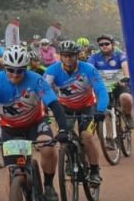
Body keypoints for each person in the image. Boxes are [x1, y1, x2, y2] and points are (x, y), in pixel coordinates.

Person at [0, 46, 72, 201]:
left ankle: (48, 185)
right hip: (10, 129)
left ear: (26, 68)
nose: (15, 75)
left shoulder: (37, 80)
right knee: (13, 173)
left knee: (48, 147)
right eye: (11, 70)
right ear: (5, 68)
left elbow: (54, 104)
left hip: (36, 124)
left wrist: (64, 129)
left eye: (20, 70)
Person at [43, 40, 108, 186]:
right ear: (60, 56)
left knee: (87, 136)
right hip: (64, 108)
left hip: (88, 106)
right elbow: (44, 91)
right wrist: (44, 109)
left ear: (77, 56)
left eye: (71, 56)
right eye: (65, 56)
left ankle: (94, 171)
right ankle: (70, 157)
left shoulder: (89, 69)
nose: (68, 59)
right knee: (64, 135)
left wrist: (101, 109)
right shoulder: (52, 71)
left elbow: (101, 90)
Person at [88, 33, 134, 130]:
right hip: (102, 86)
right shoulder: (95, 57)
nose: (104, 46)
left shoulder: (119, 55)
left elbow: (125, 65)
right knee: (103, 110)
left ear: (112, 44)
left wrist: (126, 76)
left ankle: (127, 115)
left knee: (126, 97)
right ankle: (107, 137)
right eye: (101, 45)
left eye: (106, 44)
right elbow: (89, 68)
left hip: (119, 84)